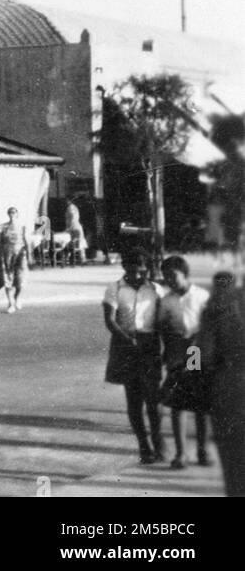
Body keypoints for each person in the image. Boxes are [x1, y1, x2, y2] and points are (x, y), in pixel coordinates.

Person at [102, 249, 165, 464]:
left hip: (149, 346)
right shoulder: (114, 288)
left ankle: (158, 442)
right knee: (134, 399)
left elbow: (165, 320)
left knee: (154, 400)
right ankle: (144, 446)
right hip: (124, 345)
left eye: (141, 271)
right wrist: (128, 340)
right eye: (132, 271)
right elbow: (110, 320)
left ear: (147, 269)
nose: (137, 276)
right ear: (124, 268)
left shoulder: (156, 289)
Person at [155, 255, 212, 470]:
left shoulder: (201, 296)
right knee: (178, 404)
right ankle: (181, 454)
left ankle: (202, 450)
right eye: (166, 277)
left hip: (197, 353)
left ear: (185, 274)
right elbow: (162, 327)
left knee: (199, 404)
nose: (170, 280)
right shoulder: (167, 300)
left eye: (173, 275)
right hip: (176, 354)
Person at [201, 271, 245, 495]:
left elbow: (202, 353)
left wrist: (189, 368)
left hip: (229, 391)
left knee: (234, 468)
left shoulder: (218, 304)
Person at [0, 206, 31, 313]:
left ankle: (18, 298)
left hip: (20, 254)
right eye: (10, 212)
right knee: (8, 279)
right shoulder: (2, 227)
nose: (12, 214)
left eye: (14, 212)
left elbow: (27, 241)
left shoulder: (22, 227)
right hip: (7, 255)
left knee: (21, 279)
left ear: (17, 214)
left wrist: (30, 256)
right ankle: (10, 303)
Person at [65, 198, 87, 263]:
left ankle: (69, 258)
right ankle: (82, 258)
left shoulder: (71, 207)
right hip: (76, 226)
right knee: (79, 241)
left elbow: (72, 216)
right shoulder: (74, 207)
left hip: (73, 226)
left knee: (72, 241)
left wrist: (69, 227)